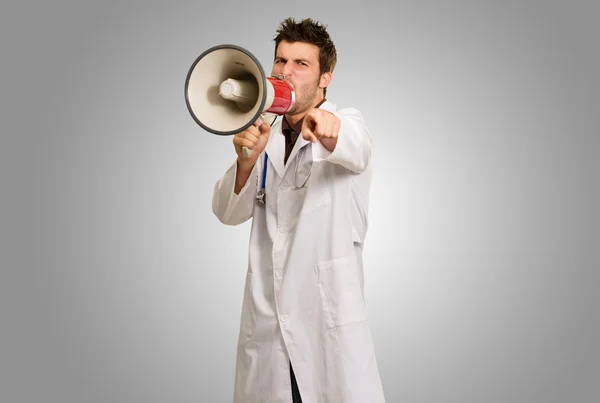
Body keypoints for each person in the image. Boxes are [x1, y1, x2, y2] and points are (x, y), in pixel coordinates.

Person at [212, 17, 386, 403]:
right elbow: (226, 212)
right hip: (267, 333)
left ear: (326, 77)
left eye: (301, 64)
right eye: (280, 61)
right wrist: (245, 162)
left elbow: (356, 146)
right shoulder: (262, 135)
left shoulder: (347, 124)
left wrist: (328, 125)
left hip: (325, 328)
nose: (285, 73)